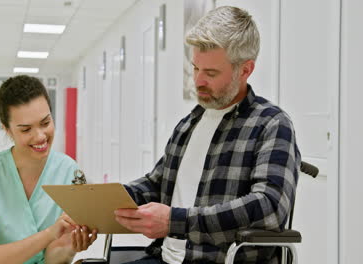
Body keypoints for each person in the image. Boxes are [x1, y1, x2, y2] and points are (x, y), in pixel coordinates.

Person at [114, 6, 300, 264]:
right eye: (195, 68)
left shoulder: (271, 124)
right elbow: (157, 184)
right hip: (164, 257)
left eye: (211, 73)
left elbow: (268, 208)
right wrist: (102, 202)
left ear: (245, 70)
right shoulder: (189, 123)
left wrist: (175, 221)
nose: (197, 81)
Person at [0, 75, 97, 264]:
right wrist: (49, 234)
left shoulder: (69, 171)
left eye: (45, 123)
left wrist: (69, 246)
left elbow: (55, 256)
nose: (40, 136)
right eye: (26, 129)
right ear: (7, 129)